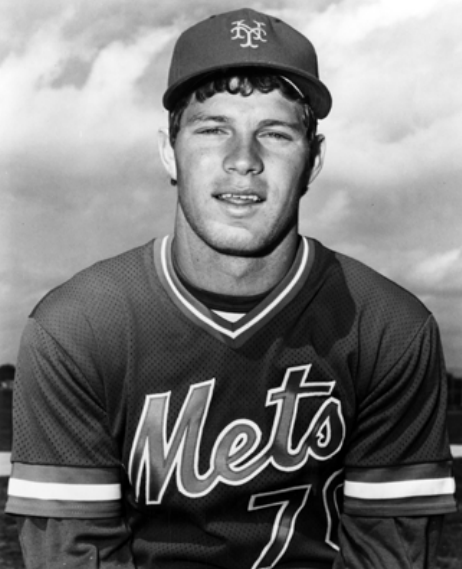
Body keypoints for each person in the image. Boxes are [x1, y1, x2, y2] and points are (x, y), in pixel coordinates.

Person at [6, 7, 457, 569]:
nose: (244, 161)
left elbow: (389, 555)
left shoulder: (389, 328)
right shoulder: (78, 328)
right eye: (213, 128)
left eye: (275, 133)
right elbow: (72, 557)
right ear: (169, 151)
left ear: (314, 160)